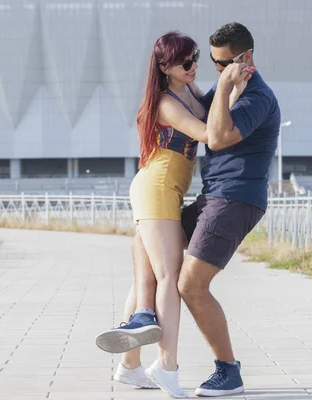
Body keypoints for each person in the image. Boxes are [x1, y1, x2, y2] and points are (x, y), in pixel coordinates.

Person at [94, 30, 249, 398]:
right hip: (157, 188)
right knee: (169, 276)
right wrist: (228, 86)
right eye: (186, 62)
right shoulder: (165, 102)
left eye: (196, 58)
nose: (195, 66)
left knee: (146, 278)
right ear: (165, 67)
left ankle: (130, 365)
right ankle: (168, 367)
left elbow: (214, 111)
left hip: (166, 191)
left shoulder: (189, 92)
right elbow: (209, 133)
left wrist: (233, 88)